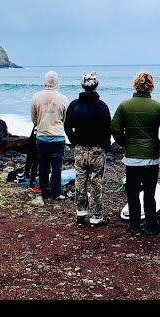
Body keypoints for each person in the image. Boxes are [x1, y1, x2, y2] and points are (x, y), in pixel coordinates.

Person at [111, 72, 160, 236]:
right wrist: (159, 145)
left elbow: (115, 129)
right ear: (151, 86)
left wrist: (126, 143)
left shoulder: (124, 106)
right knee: (150, 193)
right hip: (151, 159)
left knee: (132, 193)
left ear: (135, 85)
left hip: (131, 158)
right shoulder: (158, 107)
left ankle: (134, 226)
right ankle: (152, 226)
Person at [64, 72, 111, 226]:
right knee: (96, 182)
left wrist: (74, 141)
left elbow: (67, 126)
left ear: (82, 86)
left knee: (80, 181)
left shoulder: (74, 105)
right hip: (97, 149)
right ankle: (96, 217)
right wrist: (106, 145)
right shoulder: (102, 106)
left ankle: (80, 214)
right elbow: (107, 129)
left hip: (80, 148)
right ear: (96, 86)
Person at [31, 71, 69, 202]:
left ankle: (45, 193)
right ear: (57, 82)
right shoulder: (63, 98)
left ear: (44, 81)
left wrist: (42, 123)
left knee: (43, 167)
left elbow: (34, 119)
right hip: (58, 137)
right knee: (57, 168)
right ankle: (56, 193)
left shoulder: (36, 97)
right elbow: (65, 119)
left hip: (42, 137)